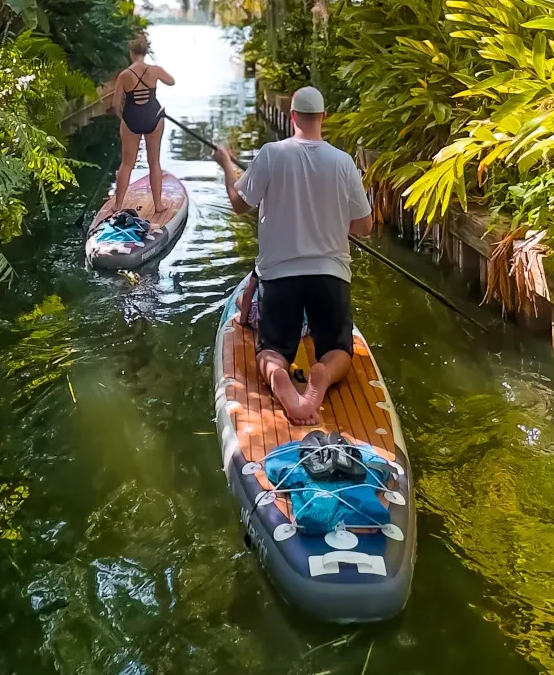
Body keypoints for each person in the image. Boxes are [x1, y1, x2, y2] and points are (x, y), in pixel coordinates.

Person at [214, 86, 373, 426]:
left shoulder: (272, 154)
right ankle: (322, 376)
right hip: (330, 275)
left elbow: (239, 203)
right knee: (337, 352)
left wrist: (227, 164)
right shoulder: (343, 163)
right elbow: (365, 226)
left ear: (292, 117)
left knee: (271, 351)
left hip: (279, 276)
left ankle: (283, 385)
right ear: (324, 118)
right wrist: (333, 220)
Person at [112, 33, 175, 216]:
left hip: (131, 119)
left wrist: (124, 120)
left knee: (126, 164)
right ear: (146, 52)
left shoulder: (124, 75)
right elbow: (171, 82)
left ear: (131, 53)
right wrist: (157, 73)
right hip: (154, 117)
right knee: (154, 162)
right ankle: (158, 205)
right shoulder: (155, 70)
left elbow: (116, 106)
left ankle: (117, 205)